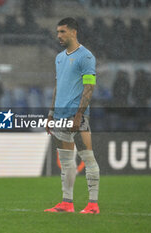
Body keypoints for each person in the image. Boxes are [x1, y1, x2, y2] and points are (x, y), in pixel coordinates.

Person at [44, 18, 100, 214]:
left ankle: (93, 204)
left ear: (74, 32)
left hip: (77, 116)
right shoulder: (59, 58)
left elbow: (89, 87)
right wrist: (51, 114)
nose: (59, 35)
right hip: (60, 116)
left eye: (62, 32)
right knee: (66, 161)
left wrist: (79, 114)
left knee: (88, 157)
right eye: (58, 32)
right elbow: (58, 87)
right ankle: (67, 203)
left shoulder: (86, 57)